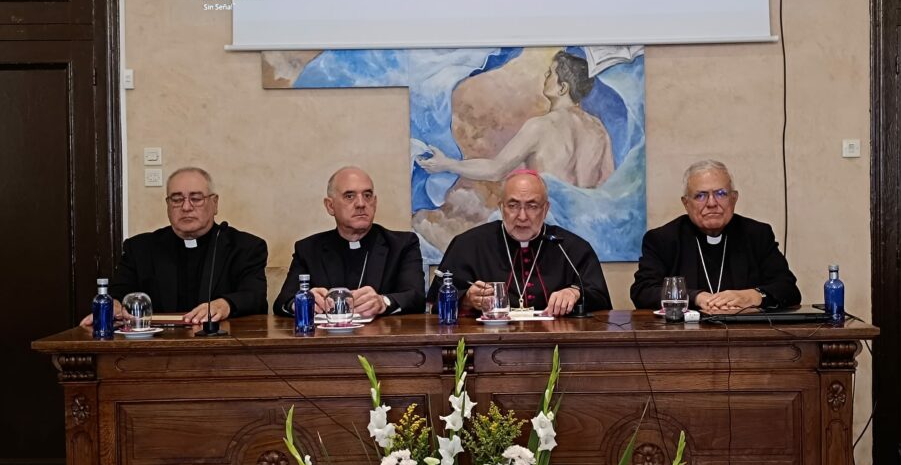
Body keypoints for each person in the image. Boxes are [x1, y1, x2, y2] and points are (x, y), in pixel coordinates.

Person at [80, 167, 268, 326]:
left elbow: (255, 297)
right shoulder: (140, 249)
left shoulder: (246, 247)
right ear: (168, 205)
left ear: (214, 203)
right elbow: (119, 292)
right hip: (155, 349)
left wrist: (225, 304)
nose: (186, 207)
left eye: (196, 198)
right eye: (177, 199)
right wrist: (113, 305)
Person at [427, 169, 611, 316]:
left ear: (545, 209)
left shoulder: (571, 248)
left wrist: (575, 293)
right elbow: (434, 303)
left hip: (557, 346)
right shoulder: (468, 245)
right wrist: (466, 299)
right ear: (501, 207)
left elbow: (602, 300)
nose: (522, 216)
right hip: (486, 347)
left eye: (532, 206)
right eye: (513, 206)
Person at [418, 51, 614, 189]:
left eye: (550, 74)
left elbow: (496, 170)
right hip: (581, 232)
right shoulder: (598, 129)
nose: (545, 78)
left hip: (548, 225)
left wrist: (447, 165)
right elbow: (609, 186)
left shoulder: (541, 126)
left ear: (562, 88)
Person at [630, 159, 800, 313]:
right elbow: (643, 291)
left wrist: (752, 296)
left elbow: (788, 289)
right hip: (684, 338)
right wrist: (696, 297)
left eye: (721, 194)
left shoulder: (757, 235)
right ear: (686, 203)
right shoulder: (662, 239)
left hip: (747, 337)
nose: (711, 203)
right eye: (700, 196)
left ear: (733, 199)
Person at [273, 167, 425, 318]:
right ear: (330, 206)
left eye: (367, 195)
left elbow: (416, 297)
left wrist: (383, 302)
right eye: (349, 196)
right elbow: (283, 301)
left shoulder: (402, 245)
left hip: (380, 338)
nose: (361, 203)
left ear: (375, 202)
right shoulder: (308, 249)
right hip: (326, 339)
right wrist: (302, 302)